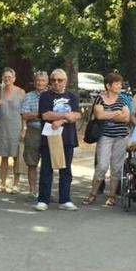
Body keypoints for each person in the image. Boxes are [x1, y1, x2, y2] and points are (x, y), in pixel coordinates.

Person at [34, 68, 81, 212]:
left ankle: (65, 199)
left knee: (66, 170)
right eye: (54, 80)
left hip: (67, 138)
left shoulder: (72, 97)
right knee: (46, 169)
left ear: (65, 81)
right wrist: (66, 116)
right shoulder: (45, 96)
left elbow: (76, 115)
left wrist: (60, 121)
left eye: (60, 80)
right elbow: (46, 115)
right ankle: (43, 199)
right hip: (49, 137)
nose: (56, 83)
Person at [84, 73, 130, 207]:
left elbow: (126, 118)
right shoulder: (100, 98)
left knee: (116, 167)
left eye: (120, 84)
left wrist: (108, 115)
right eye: (117, 84)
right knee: (102, 165)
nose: (119, 86)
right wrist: (117, 113)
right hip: (105, 136)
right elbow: (99, 115)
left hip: (121, 136)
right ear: (108, 86)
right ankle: (93, 193)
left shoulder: (122, 99)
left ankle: (112, 196)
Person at [0, 67, 24, 193]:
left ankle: (16, 184)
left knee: (16, 157)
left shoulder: (20, 92)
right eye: (5, 77)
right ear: (2, 78)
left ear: (14, 79)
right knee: (4, 157)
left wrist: (24, 129)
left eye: (10, 77)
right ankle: (2, 183)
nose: (7, 79)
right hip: (2, 127)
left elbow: (24, 112)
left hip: (16, 127)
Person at [20, 71, 48, 197]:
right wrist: (42, 115)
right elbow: (25, 114)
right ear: (34, 81)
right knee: (32, 163)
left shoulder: (51, 95)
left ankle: (45, 192)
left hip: (49, 131)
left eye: (42, 80)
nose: (40, 83)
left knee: (48, 164)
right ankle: (32, 191)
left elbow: (55, 114)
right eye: (38, 80)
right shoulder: (28, 96)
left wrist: (35, 115)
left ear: (47, 82)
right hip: (33, 131)